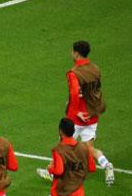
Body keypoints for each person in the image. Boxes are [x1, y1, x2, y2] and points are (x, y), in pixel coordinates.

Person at [37, 41, 114, 185]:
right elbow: (96, 90)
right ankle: (106, 164)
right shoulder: (95, 68)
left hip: (78, 116)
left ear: (76, 53)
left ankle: (52, 172)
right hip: (92, 115)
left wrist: (76, 111)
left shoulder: (74, 73)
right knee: (89, 148)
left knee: (63, 145)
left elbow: (74, 94)